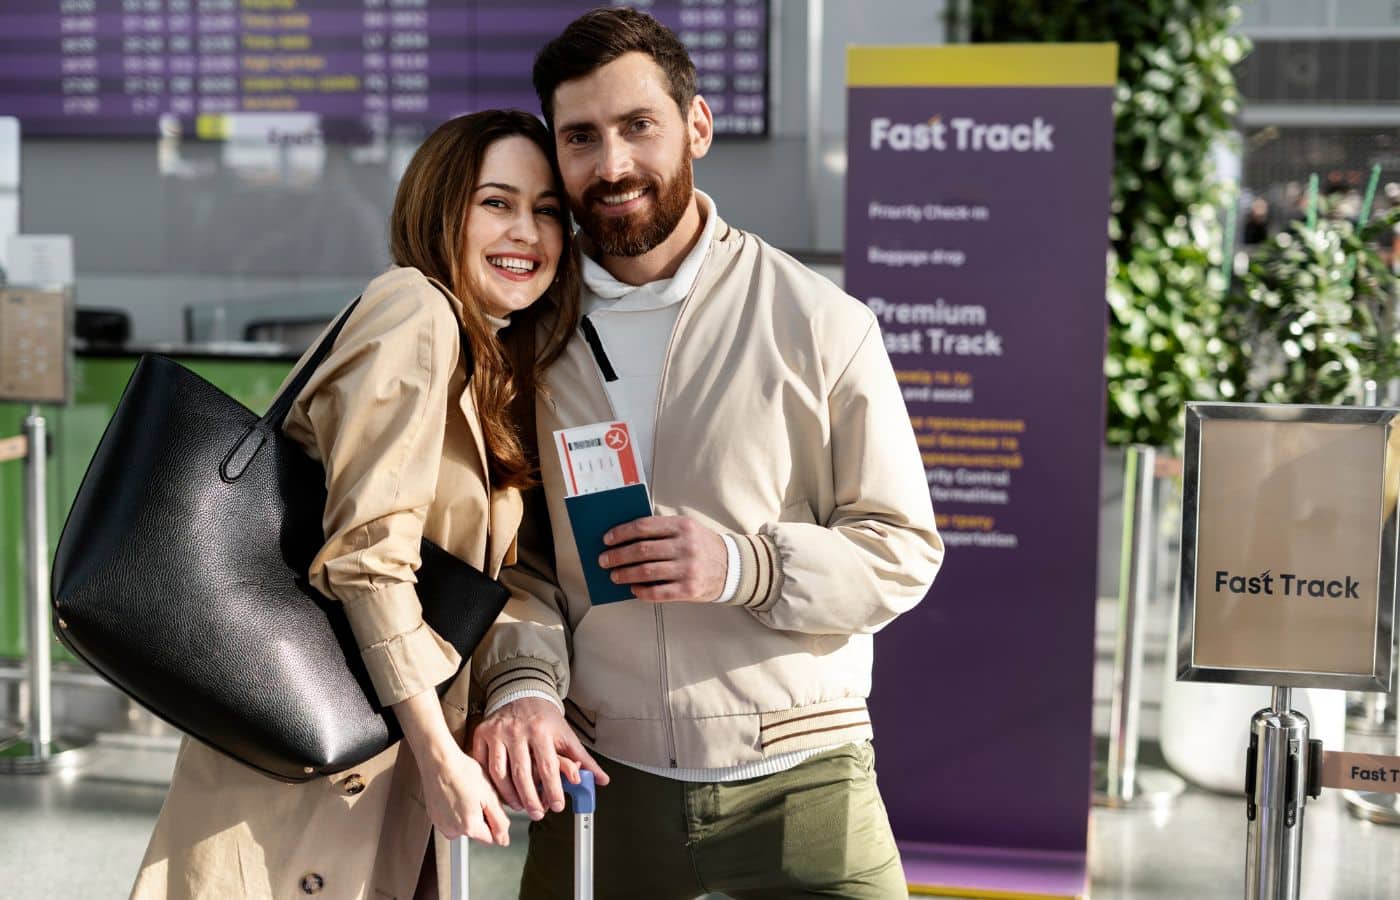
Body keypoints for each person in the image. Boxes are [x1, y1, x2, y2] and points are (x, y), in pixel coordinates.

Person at [468, 9, 944, 899]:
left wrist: (745, 563)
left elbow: (903, 551)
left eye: (637, 126)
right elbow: (518, 564)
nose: (611, 165)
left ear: (697, 126)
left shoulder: (820, 324)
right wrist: (521, 685)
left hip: (805, 778)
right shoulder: (525, 338)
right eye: (581, 138)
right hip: (604, 780)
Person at [129, 109, 581, 900]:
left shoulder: (488, 357)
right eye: (497, 202)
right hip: (307, 780)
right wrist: (444, 759)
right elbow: (369, 561)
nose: (528, 232)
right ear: (441, 209)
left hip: (357, 758)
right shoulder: (418, 310)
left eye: (547, 211)